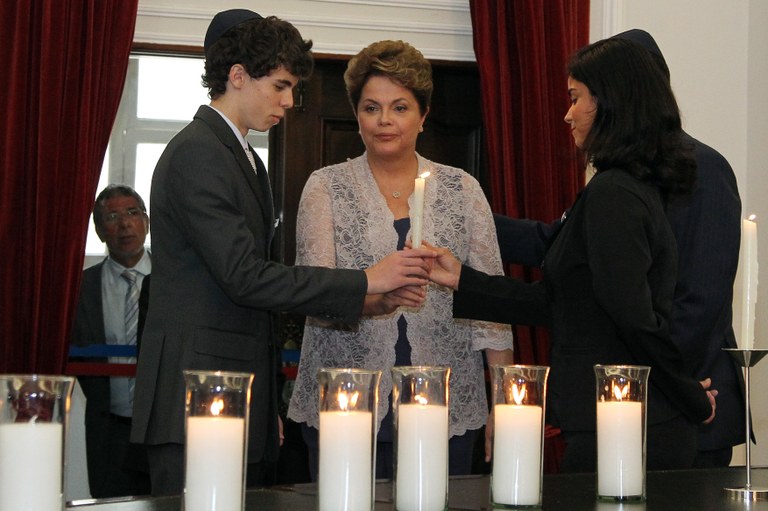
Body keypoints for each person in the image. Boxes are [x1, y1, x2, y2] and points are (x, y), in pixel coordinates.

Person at [130, 10, 434, 496]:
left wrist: (264, 399)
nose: (289, 101)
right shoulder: (198, 153)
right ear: (237, 77)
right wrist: (365, 280)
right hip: (196, 392)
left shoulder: (242, 156)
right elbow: (245, 278)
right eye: (280, 86)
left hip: (232, 392)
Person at [427, 37, 717, 473]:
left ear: (610, 103)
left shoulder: (614, 192)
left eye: (575, 98)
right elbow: (565, 303)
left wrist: (689, 395)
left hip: (630, 426)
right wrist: (462, 280)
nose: (567, 113)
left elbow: (634, 318)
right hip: (614, 419)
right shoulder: (621, 188)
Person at [493, 29, 744, 468]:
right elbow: (558, 248)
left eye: (579, 96)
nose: (569, 113)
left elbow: (698, 301)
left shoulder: (702, 167)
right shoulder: (621, 173)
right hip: (632, 399)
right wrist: (467, 222)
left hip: (680, 405)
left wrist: (670, 388)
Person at [286, 40, 514, 480]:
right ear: (356, 115)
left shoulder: (461, 190)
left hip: (446, 403)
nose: (385, 120)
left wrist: (504, 402)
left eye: (400, 107)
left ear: (423, 115)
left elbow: (491, 309)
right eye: (371, 107)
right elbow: (315, 296)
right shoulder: (325, 188)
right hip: (347, 402)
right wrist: (377, 295)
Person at [71, 184, 151, 498]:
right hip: (107, 430)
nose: (124, 224)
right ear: (100, 231)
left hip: (159, 432)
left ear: (147, 221)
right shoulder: (79, 289)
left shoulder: (175, 285)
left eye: (132, 213)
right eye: (112, 216)